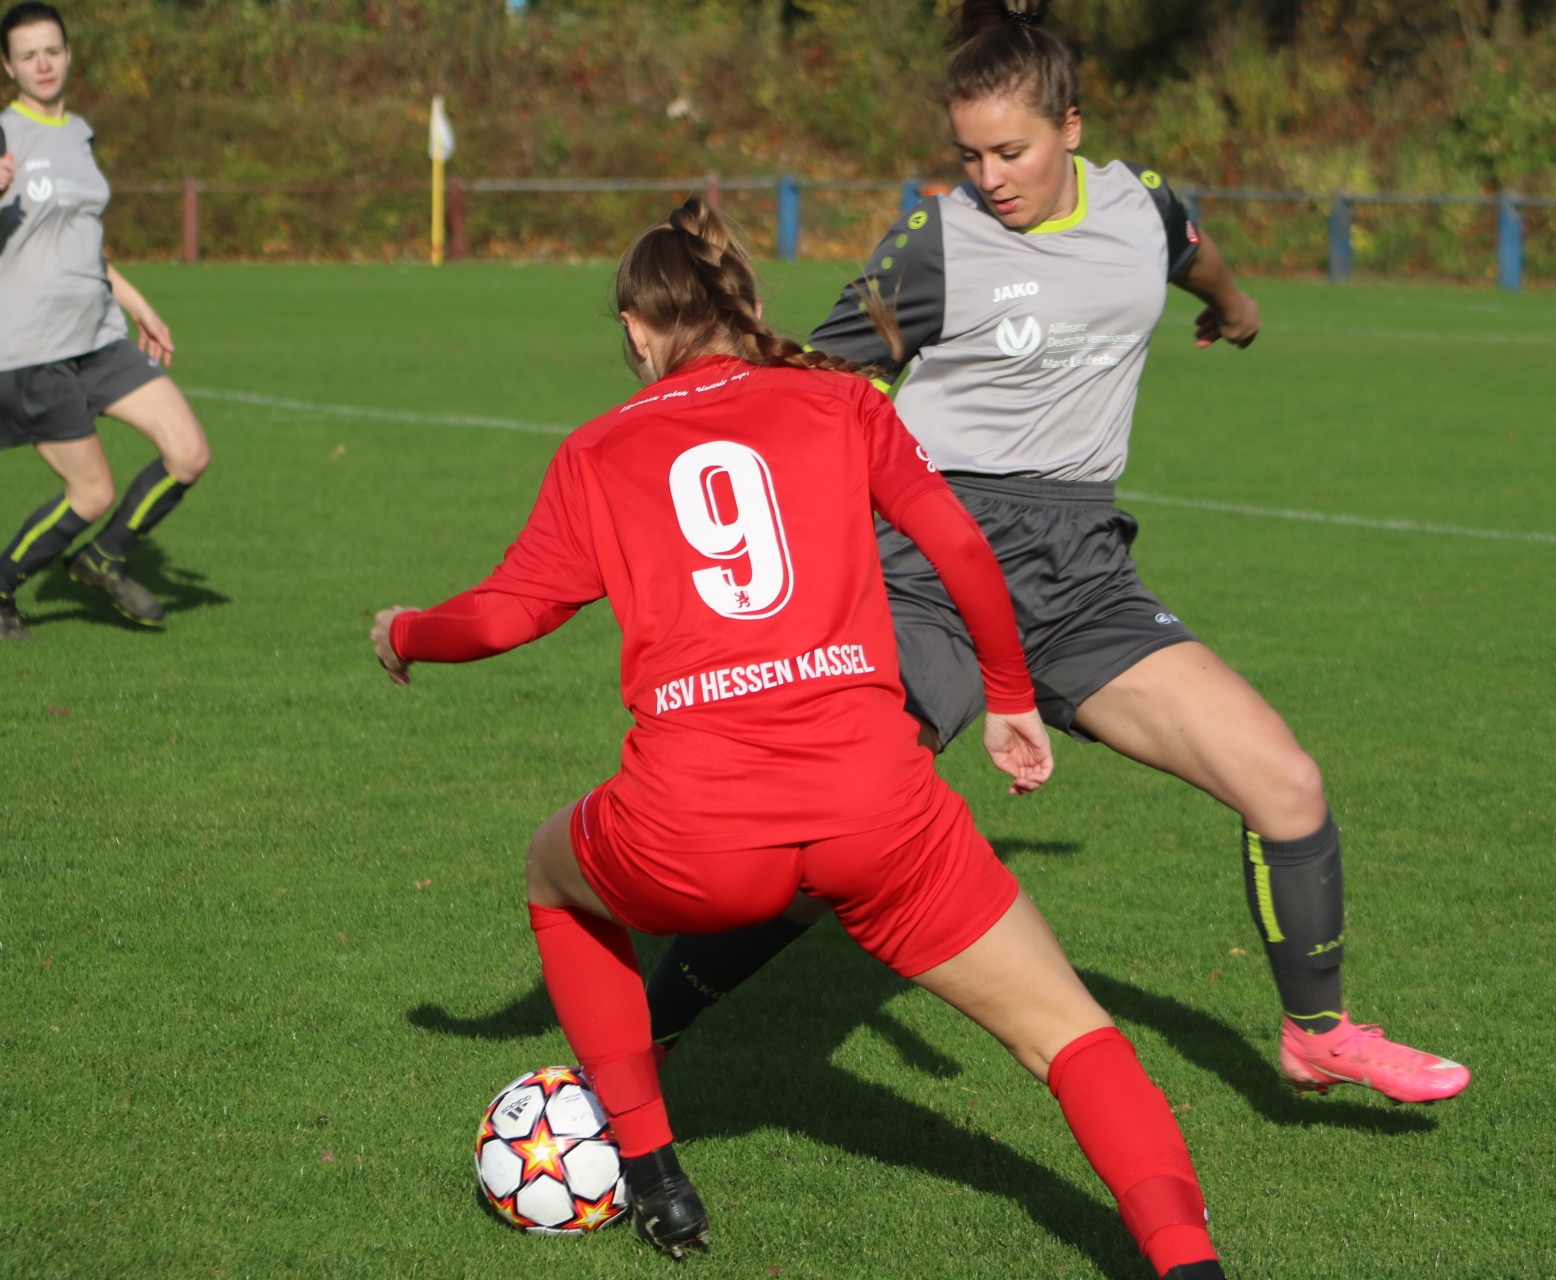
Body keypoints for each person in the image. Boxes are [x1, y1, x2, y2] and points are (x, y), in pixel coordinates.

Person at [368, 199, 1230, 1279]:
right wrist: (1008, 692)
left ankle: (653, 1165)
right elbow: (960, 543)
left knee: (554, 874)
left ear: (638, 329)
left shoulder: (596, 450)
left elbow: (503, 616)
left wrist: (402, 631)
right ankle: (1189, 1262)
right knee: (1069, 1031)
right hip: (877, 810)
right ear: (751, 306)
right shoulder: (837, 401)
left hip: (693, 829)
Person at [644, 0, 1470, 1107]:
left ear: (1072, 127)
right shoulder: (939, 244)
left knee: (1285, 781)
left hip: (1081, 576)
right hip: (926, 570)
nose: (988, 176)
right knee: (830, 822)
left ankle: (1317, 1031)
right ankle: (642, 1033)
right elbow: (825, 378)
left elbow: (1189, 251)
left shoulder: (1140, 209)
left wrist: (1236, 304)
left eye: (1011, 150)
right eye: (969, 154)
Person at [0, 1, 212, 638]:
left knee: (190, 452)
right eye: (28, 54)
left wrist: (135, 301)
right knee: (89, 495)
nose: (43, 63)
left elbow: (80, 241)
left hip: (98, 334)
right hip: (32, 349)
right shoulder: (4, 136)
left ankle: (102, 555)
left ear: (68, 54)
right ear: (7, 66)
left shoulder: (78, 134)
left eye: (53, 50)